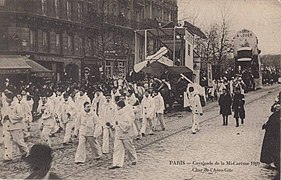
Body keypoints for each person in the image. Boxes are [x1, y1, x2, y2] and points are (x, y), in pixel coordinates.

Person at [108, 100, 138, 169]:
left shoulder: (126, 114)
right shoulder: (117, 113)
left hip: (126, 133)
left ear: (120, 107)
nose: (116, 107)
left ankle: (133, 159)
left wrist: (119, 123)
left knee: (129, 148)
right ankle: (117, 163)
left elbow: (128, 125)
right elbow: (115, 122)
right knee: (117, 148)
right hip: (118, 133)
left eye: (117, 106)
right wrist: (112, 126)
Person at [1, 91, 29, 162]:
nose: (7, 99)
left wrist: (10, 117)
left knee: (18, 141)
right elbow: (3, 114)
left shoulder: (17, 105)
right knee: (7, 141)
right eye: (6, 98)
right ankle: (8, 157)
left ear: (12, 98)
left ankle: (26, 152)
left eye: (8, 98)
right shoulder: (5, 105)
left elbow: (21, 116)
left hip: (16, 126)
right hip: (7, 126)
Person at [260, 102, 280, 170]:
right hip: (272, 129)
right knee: (270, 145)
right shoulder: (275, 114)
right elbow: (272, 110)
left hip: (276, 130)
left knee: (274, 146)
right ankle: (270, 161)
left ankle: (274, 161)